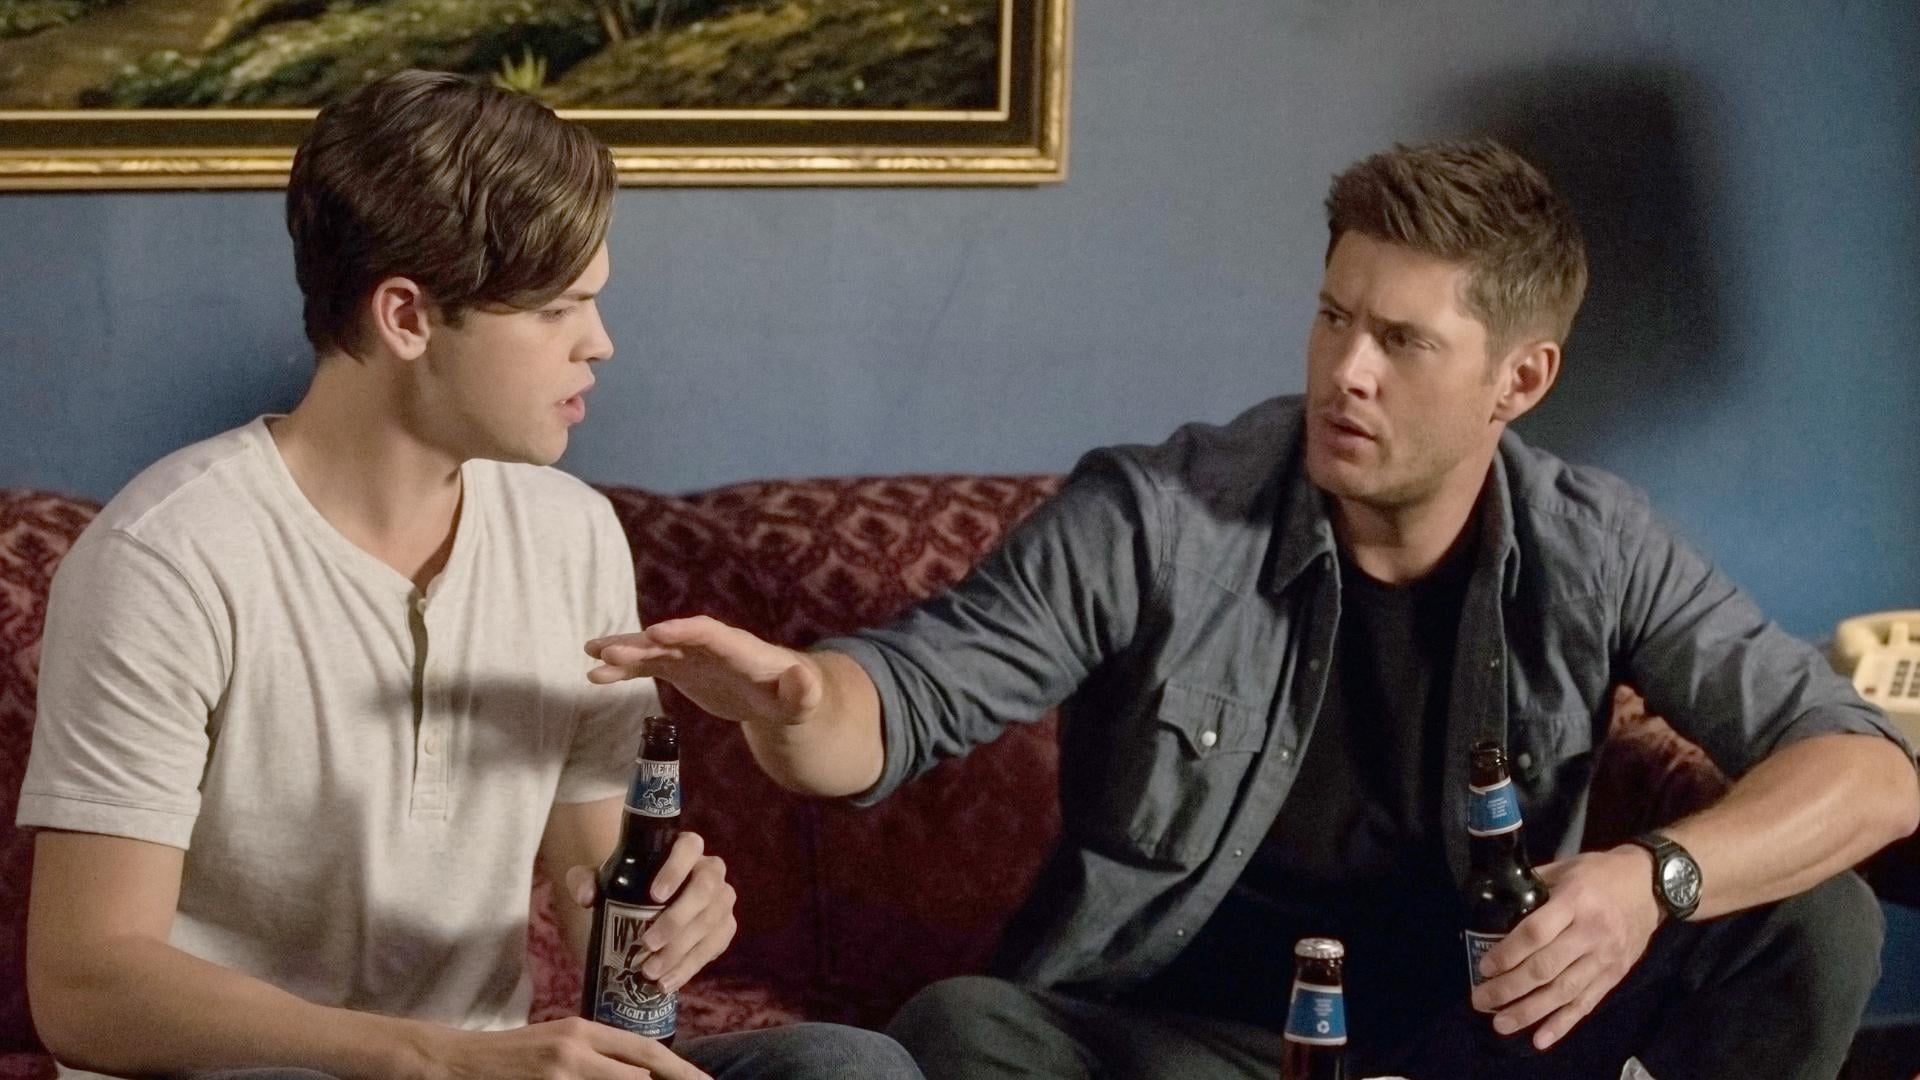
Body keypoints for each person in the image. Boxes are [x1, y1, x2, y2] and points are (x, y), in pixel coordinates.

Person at [581, 138, 1920, 1080]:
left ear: (1519, 380)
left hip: (1482, 1034)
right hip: (1189, 1043)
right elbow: (907, 693)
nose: (1346, 371)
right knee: (962, 1033)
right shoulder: (1158, 516)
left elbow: (1871, 768)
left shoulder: (1597, 540)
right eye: (1335, 317)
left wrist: (1648, 879)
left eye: (1402, 342)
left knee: (1816, 918)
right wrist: (801, 701)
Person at [19, 70, 919, 1080]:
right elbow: (86, 985)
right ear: (407, 317)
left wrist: (661, 925)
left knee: (847, 1066)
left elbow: (595, 900)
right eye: (558, 308)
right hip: (254, 1074)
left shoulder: (572, 534)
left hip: (481, 1070)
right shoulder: (166, 557)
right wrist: (436, 1058)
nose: (600, 343)